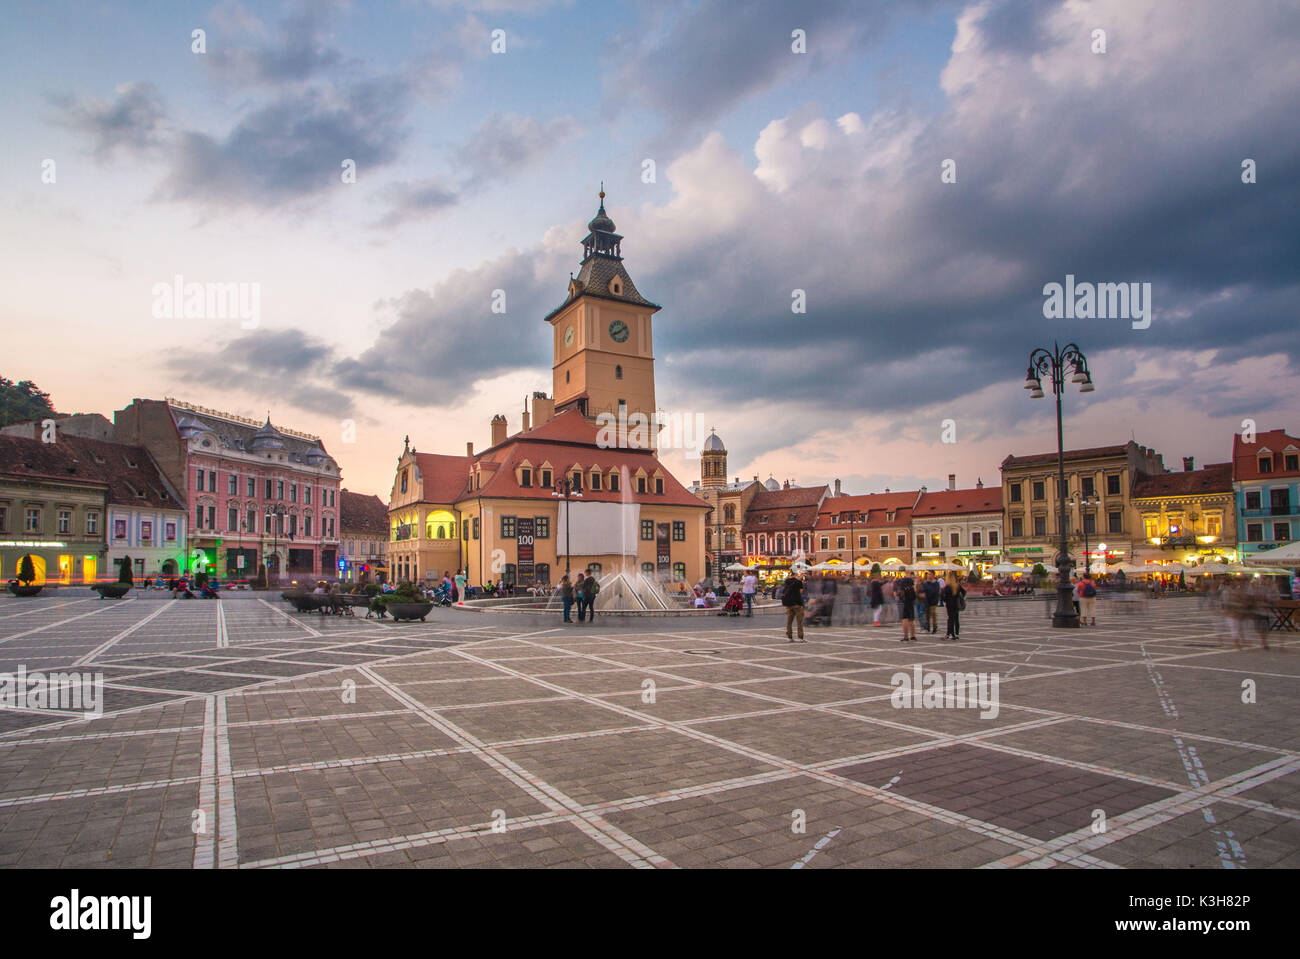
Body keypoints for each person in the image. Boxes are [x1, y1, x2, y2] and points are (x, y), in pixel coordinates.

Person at [781, 570, 807, 642]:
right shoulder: (798, 582)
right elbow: (801, 592)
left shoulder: (786, 581)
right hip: (797, 604)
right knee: (799, 622)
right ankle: (800, 637)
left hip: (788, 604)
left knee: (789, 622)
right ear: (796, 574)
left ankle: (789, 637)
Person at [941, 576, 966, 641]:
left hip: (949, 605)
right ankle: (956, 633)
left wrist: (945, 600)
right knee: (956, 619)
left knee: (950, 619)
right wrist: (960, 597)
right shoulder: (957, 586)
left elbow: (942, 595)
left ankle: (950, 633)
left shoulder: (947, 587)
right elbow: (964, 592)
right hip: (956, 604)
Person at [899, 574, 917, 642]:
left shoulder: (903, 589)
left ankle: (906, 636)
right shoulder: (912, 589)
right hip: (911, 604)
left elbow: (901, 597)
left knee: (905, 620)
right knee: (912, 620)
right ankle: (913, 635)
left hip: (905, 604)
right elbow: (914, 597)